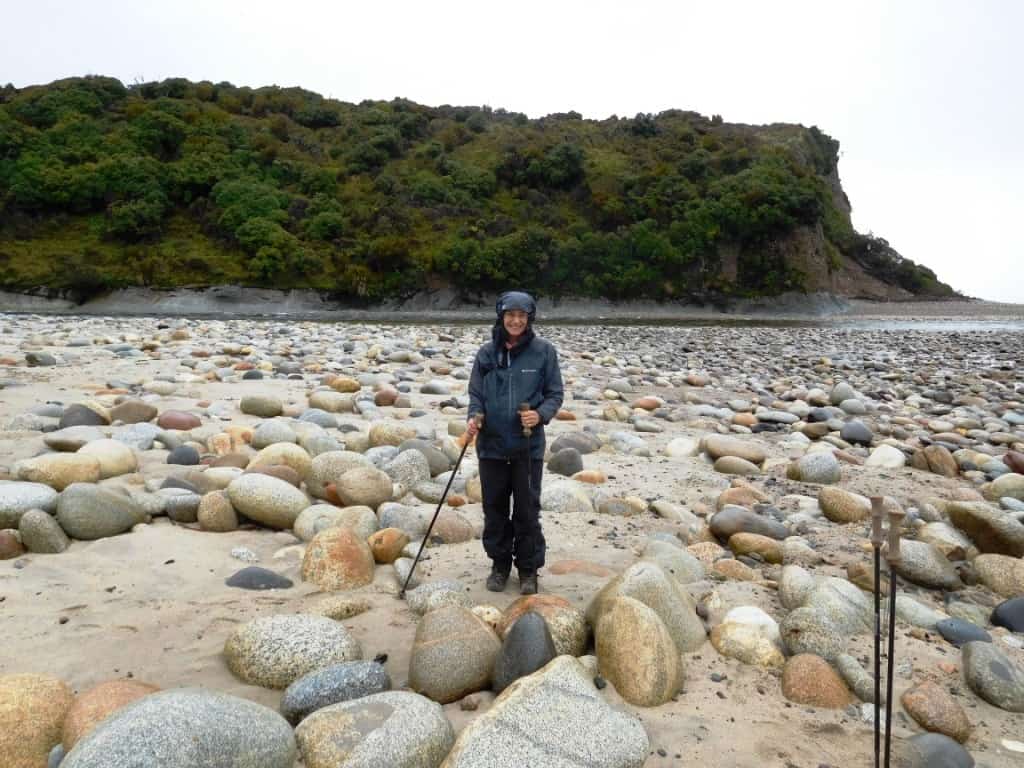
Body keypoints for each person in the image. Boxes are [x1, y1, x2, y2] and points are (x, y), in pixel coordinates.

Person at [466, 290, 564, 595]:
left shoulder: (544, 352)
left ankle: (528, 570)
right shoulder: (485, 354)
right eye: (511, 315)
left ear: (530, 318)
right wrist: (475, 416)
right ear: (501, 316)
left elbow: (555, 394)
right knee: (494, 509)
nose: (516, 320)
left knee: (527, 511)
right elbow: (476, 394)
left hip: (527, 449)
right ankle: (499, 566)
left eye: (522, 315)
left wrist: (540, 415)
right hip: (491, 447)